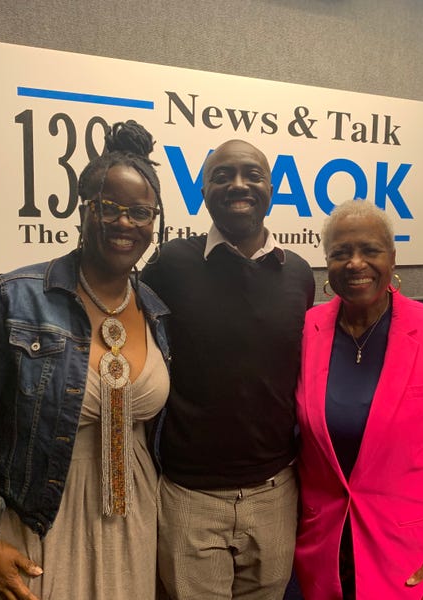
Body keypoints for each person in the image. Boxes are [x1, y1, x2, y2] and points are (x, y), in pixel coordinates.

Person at [0, 120, 170, 600]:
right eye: (109, 207)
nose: (125, 223)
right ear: (83, 210)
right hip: (42, 519)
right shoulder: (14, 299)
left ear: (154, 222)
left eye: (140, 212)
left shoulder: (156, 311)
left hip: (137, 518)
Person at [140, 139, 315, 599]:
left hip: (275, 493)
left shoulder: (299, 274)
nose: (239, 185)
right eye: (223, 176)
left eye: (252, 175)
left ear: (271, 189)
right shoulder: (169, 265)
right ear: (203, 192)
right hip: (190, 497)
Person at [294, 200, 423, 600]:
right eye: (341, 252)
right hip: (324, 549)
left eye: (370, 250)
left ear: (393, 258)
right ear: (327, 264)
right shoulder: (306, 330)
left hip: (410, 557)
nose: (355, 263)